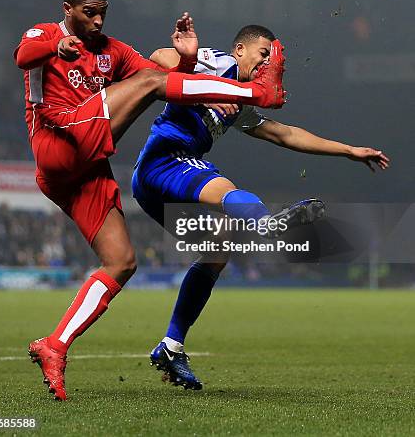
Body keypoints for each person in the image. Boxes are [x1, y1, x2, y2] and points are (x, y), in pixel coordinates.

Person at [14, 0, 286, 401]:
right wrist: (56, 47)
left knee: (122, 262)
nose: (98, 19)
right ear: (67, 8)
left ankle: (54, 345)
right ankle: (256, 93)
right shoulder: (46, 33)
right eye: (89, 12)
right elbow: (24, 54)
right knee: (147, 85)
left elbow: (164, 81)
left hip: (84, 171)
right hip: (57, 141)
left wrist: (186, 62)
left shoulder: (112, 51)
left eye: (103, 11)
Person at [132, 24, 390, 390]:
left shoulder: (242, 100)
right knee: (224, 188)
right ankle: (268, 224)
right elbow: (161, 56)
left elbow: (284, 134)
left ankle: (172, 346)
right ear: (239, 50)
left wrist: (349, 151)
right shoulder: (218, 64)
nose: (268, 62)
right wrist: (205, 90)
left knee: (217, 251)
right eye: (263, 54)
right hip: (166, 160)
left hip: (156, 183)